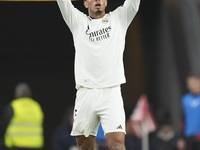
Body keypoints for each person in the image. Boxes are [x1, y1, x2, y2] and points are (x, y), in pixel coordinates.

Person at [56, 0, 141, 149]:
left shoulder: (119, 18)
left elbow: (133, 3)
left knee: (117, 143)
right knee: (84, 146)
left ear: (106, 2)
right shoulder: (77, 21)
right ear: (85, 3)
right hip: (85, 92)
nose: (97, 1)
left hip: (111, 92)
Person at [0, 83, 44, 150]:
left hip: (16, 145)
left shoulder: (13, 106)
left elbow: (4, 126)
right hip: (35, 145)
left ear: (17, 94)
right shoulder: (36, 107)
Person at [181, 74, 200, 150]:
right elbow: (183, 119)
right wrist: (181, 137)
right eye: (189, 84)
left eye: (193, 83)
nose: (191, 86)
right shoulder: (185, 99)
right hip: (190, 136)